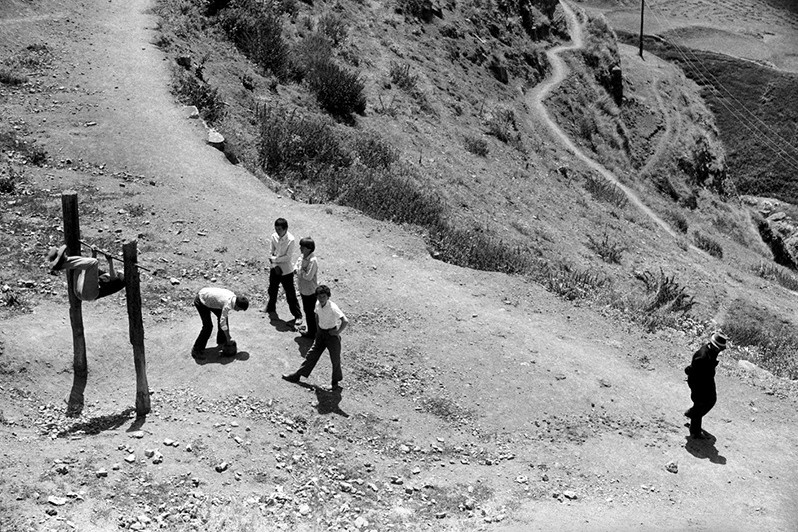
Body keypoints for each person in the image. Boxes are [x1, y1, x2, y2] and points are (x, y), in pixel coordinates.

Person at [282, 285, 349, 390]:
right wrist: (318, 329)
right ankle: (297, 376)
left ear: (328, 296)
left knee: (335, 359)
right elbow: (316, 315)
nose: (321, 299)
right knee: (311, 355)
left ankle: (335, 383)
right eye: (319, 296)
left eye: (324, 296)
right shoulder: (317, 304)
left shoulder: (333, 307)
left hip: (331, 336)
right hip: (321, 334)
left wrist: (337, 332)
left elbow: (345, 321)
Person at [684, 332, 728, 439]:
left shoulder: (711, 351)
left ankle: (692, 413)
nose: (720, 351)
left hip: (707, 380)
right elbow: (692, 371)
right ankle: (695, 432)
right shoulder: (702, 357)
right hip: (699, 383)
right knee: (700, 404)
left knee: (711, 400)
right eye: (719, 348)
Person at [47, 244, 125, 301]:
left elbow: (113, 278)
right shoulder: (108, 276)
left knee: (93, 262)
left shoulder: (120, 283)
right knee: (83, 264)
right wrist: (94, 253)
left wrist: (110, 262)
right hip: (81, 291)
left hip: (90, 294)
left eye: (121, 273)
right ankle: (63, 260)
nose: (119, 271)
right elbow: (92, 272)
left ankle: (62, 263)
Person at [192, 286, 249, 359]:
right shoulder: (227, 304)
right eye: (239, 309)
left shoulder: (233, 298)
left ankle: (221, 341)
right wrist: (228, 337)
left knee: (223, 319)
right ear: (237, 305)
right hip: (201, 300)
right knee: (208, 326)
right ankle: (196, 350)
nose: (238, 311)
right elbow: (223, 323)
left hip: (211, 299)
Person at [265, 218, 302, 326]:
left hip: (286, 270)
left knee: (290, 293)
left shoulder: (291, 239)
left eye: (279, 229)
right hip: (274, 268)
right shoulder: (274, 236)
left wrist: (275, 260)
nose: (277, 231)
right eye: (276, 229)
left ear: (285, 229)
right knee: (272, 289)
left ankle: (298, 315)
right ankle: (270, 308)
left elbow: (288, 257)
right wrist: (275, 265)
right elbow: (271, 252)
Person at [295, 237, 319, 338]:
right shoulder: (302, 257)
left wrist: (300, 271)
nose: (300, 248)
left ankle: (312, 333)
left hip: (310, 291)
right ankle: (312, 330)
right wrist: (302, 270)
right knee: (307, 311)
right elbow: (296, 267)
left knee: (310, 312)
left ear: (309, 249)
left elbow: (308, 277)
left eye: (303, 247)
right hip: (303, 289)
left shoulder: (313, 261)